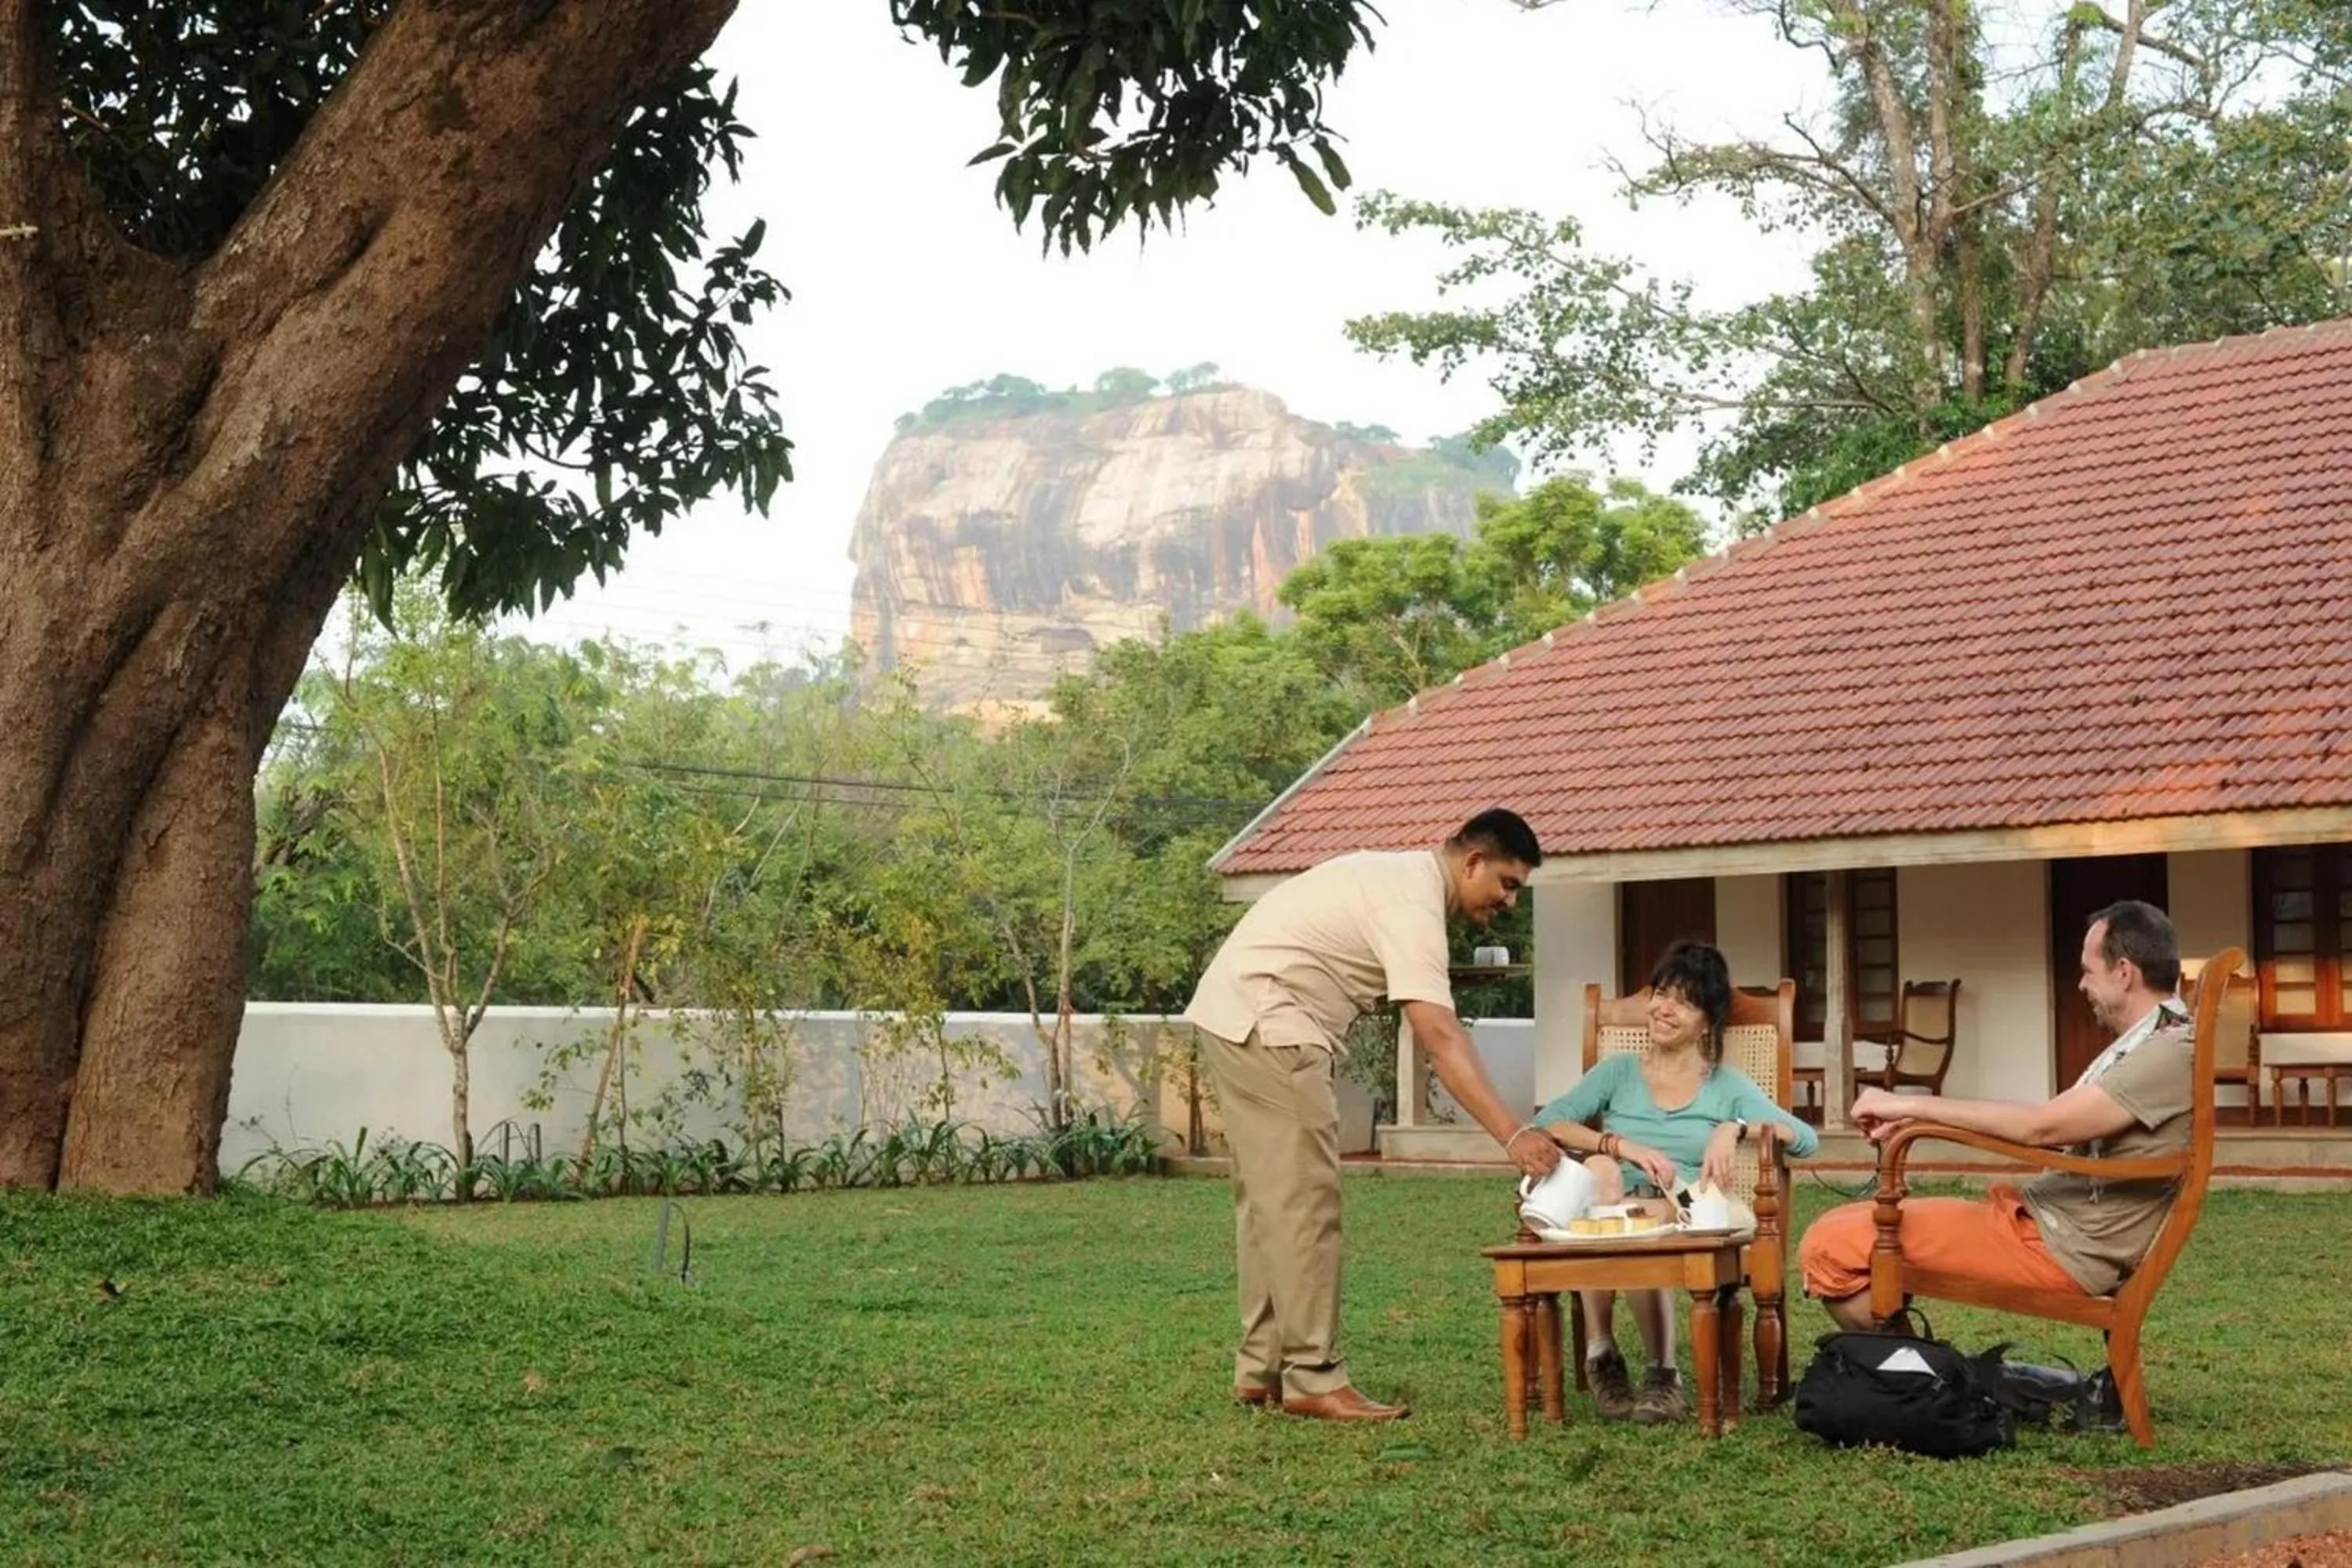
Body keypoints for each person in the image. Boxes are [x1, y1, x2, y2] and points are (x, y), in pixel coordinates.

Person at [1182, 808, 1563, 1423]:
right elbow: (1438, 1035)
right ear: (1471, 862)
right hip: (1272, 1020)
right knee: (1306, 1204)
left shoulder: (1402, 879)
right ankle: (1312, 1376)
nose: (1511, 902)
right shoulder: (1412, 907)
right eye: (1507, 883)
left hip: (1236, 1012)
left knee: (1270, 1206)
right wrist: (1513, 1133)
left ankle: (1263, 1369)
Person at [1800, 900, 2194, 1328]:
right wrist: (1918, 1122)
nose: (2081, 985)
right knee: (1844, 1229)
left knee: (1831, 1242)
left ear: (2123, 971)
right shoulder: (2154, 1042)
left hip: (2055, 1247)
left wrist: (1906, 1103)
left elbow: (2042, 1126)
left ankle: (1917, 1384)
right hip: (2039, 1225)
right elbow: (2051, 1125)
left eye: (2087, 971)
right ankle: (1916, 1379)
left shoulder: (2168, 1052)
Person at [1531, 940, 1817, 1422]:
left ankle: (1663, 1372)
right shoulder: (1619, 1071)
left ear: (1707, 1019)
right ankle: (1602, 1353)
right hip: (1612, 1196)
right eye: (1661, 993)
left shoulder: (1725, 1085)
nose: (1664, 1009)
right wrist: (1619, 1146)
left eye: (1683, 1001)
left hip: (1677, 1205)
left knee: (1634, 1215)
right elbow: (1553, 1121)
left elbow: (1806, 1139)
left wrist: (1735, 1127)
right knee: (1599, 1175)